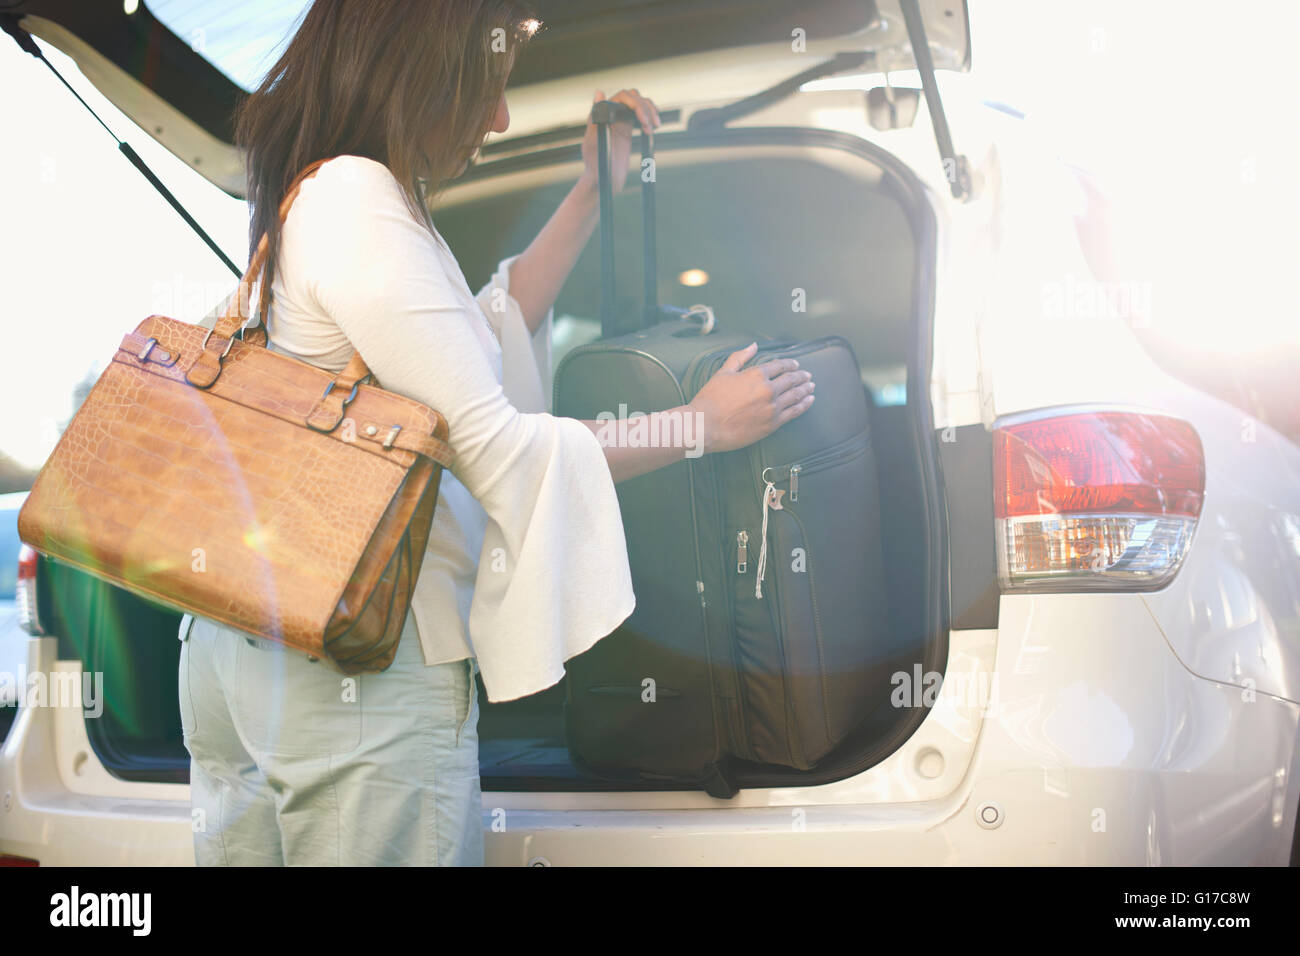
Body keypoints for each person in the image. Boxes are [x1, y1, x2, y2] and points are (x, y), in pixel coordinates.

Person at [178, 0, 816, 866]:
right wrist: (702, 424)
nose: (501, 117)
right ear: (421, 77)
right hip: (357, 666)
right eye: (488, 89)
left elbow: (479, 334)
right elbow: (500, 450)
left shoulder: (319, 197)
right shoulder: (360, 202)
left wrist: (592, 191)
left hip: (245, 651)